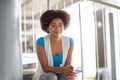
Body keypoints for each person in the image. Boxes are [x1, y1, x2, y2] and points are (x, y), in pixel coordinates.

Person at [33, 10, 76, 80]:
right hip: (45, 75)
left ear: (64, 26)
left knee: (71, 78)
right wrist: (63, 69)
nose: (57, 29)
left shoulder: (70, 41)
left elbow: (67, 65)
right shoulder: (40, 42)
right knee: (52, 77)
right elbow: (45, 68)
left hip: (61, 74)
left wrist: (70, 70)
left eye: (60, 25)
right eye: (53, 25)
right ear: (47, 27)